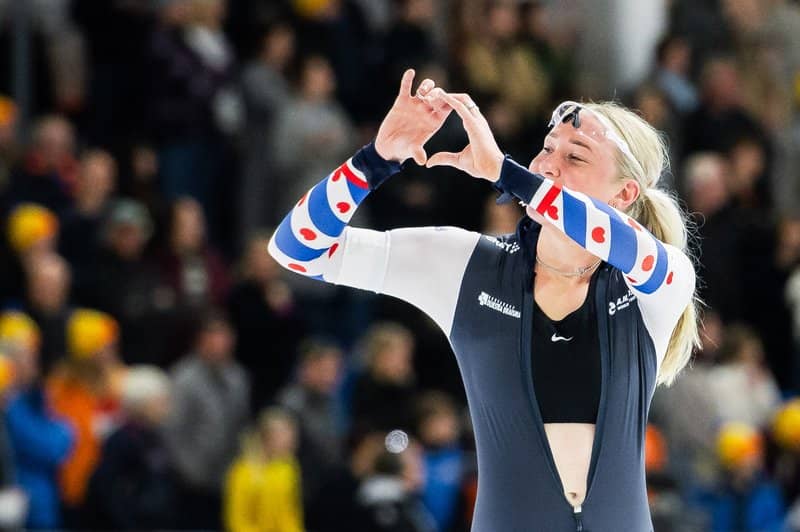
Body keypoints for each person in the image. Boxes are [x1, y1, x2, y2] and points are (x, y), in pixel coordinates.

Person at [269, 70, 699, 530]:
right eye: (546, 149)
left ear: (625, 193)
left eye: (575, 156)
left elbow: (620, 241)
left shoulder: (659, 281)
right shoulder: (466, 265)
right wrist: (375, 160)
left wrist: (505, 172)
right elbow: (297, 248)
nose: (548, 166)